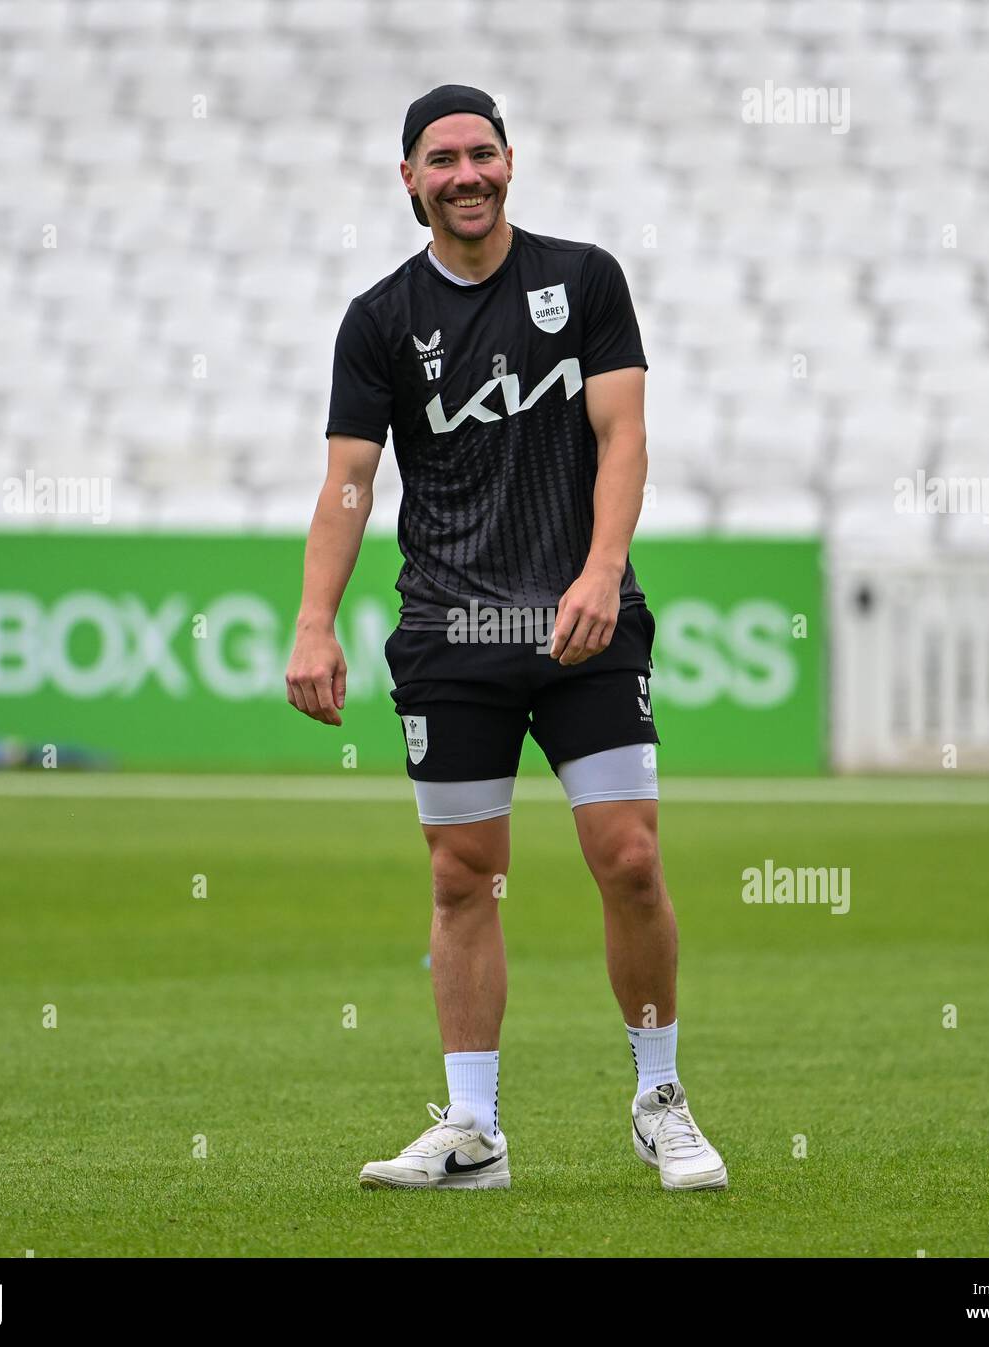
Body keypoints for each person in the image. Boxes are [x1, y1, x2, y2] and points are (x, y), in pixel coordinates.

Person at [286, 85, 726, 1193]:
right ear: (409, 179)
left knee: (630, 859)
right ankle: (474, 1131)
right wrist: (314, 621)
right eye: (442, 160)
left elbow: (623, 436)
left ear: (511, 161)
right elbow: (349, 481)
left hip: (583, 624)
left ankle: (661, 1100)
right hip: (450, 631)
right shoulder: (379, 319)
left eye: (481, 153)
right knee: (461, 879)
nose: (466, 175)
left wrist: (602, 570)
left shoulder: (584, 279)